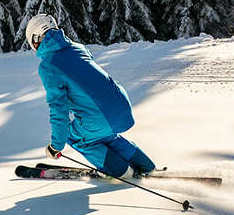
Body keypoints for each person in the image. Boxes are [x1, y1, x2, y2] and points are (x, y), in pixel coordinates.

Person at [25, 13, 156, 179]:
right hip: (121, 106)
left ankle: (121, 171)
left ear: (36, 38)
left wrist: (56, 146)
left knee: (73, 136)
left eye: (33, 43)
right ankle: (146, 166)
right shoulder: (77, 47)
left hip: (99, 116)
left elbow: (58, 108)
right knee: (105, 134)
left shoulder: (48, 65)